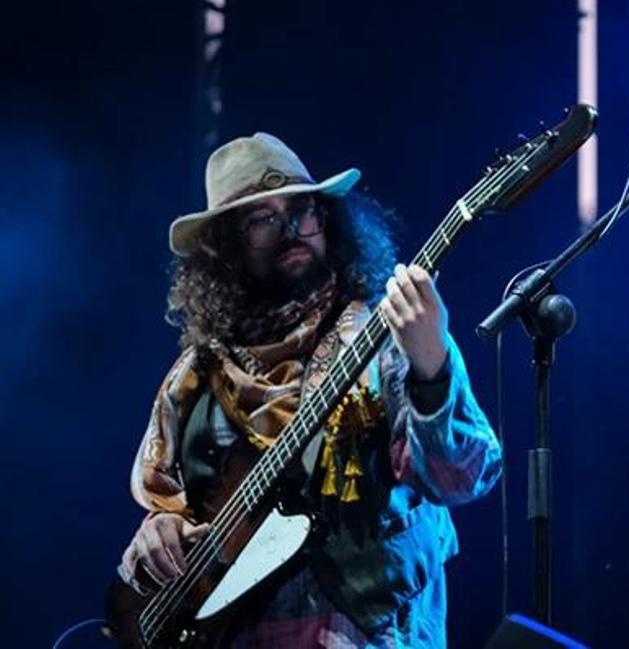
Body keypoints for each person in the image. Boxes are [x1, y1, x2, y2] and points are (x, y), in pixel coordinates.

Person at [117, 132, 501, 647]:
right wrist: (156, 533)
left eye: (303, 211)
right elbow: (171, 510)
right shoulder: (196, 376)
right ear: (226, 247)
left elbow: (465, 479)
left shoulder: (387, 337)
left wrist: (431, 367)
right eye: (263, 219)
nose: (293, 230)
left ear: (328, 219)